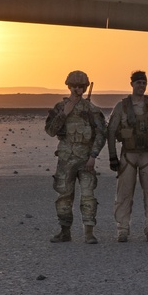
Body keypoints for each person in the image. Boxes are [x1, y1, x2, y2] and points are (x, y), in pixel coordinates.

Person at [44, 70, 108, 244]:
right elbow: (50, 131)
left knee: (88, 196)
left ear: (86, 88)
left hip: (85, 160)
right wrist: (65, 112)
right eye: (74, 86)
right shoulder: (60, 107)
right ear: (69, 86)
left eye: (81, 86)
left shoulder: (92, 110)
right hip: (65, 161)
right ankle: (65, 231)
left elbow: (101, 135)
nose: (77, 89)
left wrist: (93, 156)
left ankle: (88, 232)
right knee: (64, 196)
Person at [106, 70, 148, 243]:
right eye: (138, 82)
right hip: (128, 155)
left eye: (144, 83)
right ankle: (123, 229)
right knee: (124, 194)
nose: (141, 86)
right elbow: (111, 131)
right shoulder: (122, 106)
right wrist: (112, 156)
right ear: (132, 84)